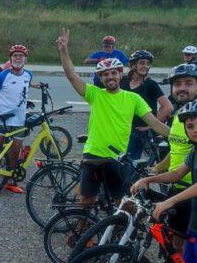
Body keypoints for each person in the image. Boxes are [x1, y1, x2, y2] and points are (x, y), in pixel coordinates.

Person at [57, 28, 169, 211]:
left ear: (119, 75)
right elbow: (71, 75)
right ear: (100, 78)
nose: (110, 77)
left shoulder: (133, 98)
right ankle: (82, 236)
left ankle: (120, 234)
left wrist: (177, 135)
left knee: (122, 203)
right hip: (93, 154)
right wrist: (64, 50)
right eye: (105, 74)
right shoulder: (95, 94)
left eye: (113, 73)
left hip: (117, 158)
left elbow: (154, 123)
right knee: (87, 201)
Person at [134, 63, 197, 263]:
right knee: (177, 247)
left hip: (187, 192)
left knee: (186, 255)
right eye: (177, 84)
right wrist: (153, 172)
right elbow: (178, 153)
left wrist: (170, 199)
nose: (181, 88)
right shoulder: (183, 116)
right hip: (179, 187)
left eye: (188, 83)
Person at [0, 45, 39, 192]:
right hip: (3, 119)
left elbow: (24, 84)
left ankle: (10, 181)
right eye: (15, 56)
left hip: (19, 121)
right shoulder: (3, 75)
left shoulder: (28, 75)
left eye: (21, 56)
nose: (18, 58)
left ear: (25, 59)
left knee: (15, 152)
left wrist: (36, 86)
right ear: (10, 59)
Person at [120, 50, 172, 160]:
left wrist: (151, 126)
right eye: (142, 63)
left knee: (129, 162)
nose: (146, 66)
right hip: (125, 128)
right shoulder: (123, 81)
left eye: (148, 64)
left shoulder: (150, 84)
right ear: (133, 65)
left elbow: (167, 107)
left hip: (141, 132)